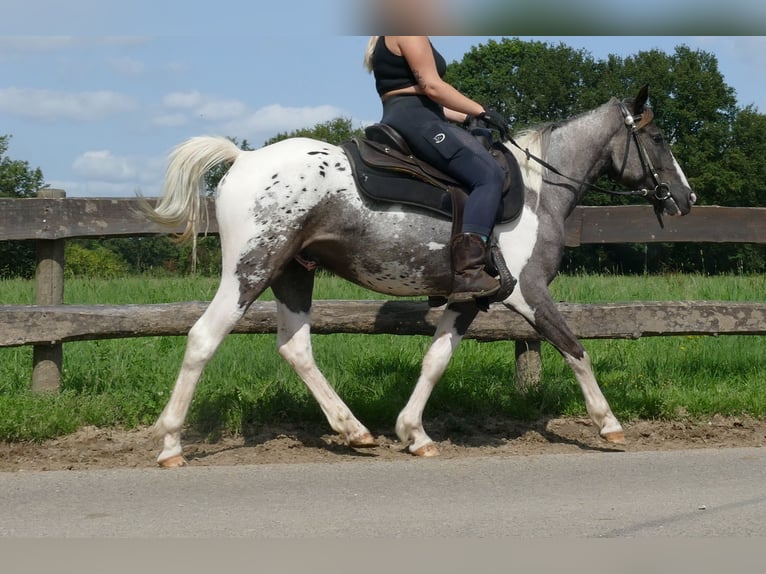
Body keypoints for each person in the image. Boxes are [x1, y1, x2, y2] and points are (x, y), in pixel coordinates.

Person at [364, 35, 508, 301]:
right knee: (489, 176)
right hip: (418, 120)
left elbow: (429, 100)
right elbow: (432, 86)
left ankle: (443, 260)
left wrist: (469, 116)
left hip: (412, 115)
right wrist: (482, 110)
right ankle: (470, 270)